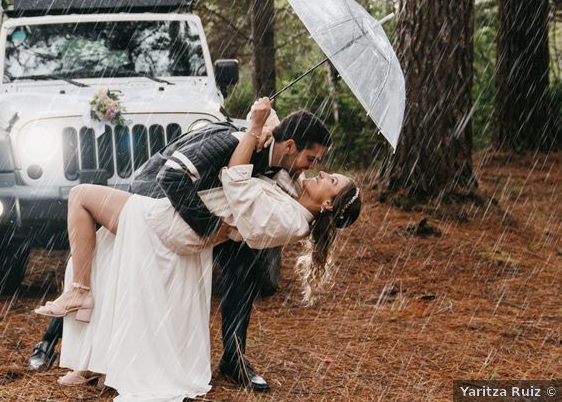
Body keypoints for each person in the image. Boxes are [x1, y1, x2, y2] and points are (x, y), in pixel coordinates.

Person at [36, 98, 362, 398]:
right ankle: (99, 364)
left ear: (330, 203)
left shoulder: (290, 217)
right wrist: (266, 127)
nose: (317, 170)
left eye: (329, 177)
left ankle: (79, 292)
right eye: (313, 160)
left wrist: (252, 131)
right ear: (290, 146)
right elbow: (279, 170)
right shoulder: (292, 192)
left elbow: (236, 181)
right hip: (177, 220)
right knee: (107, 256)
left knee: (80, 196)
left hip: (169, 221)